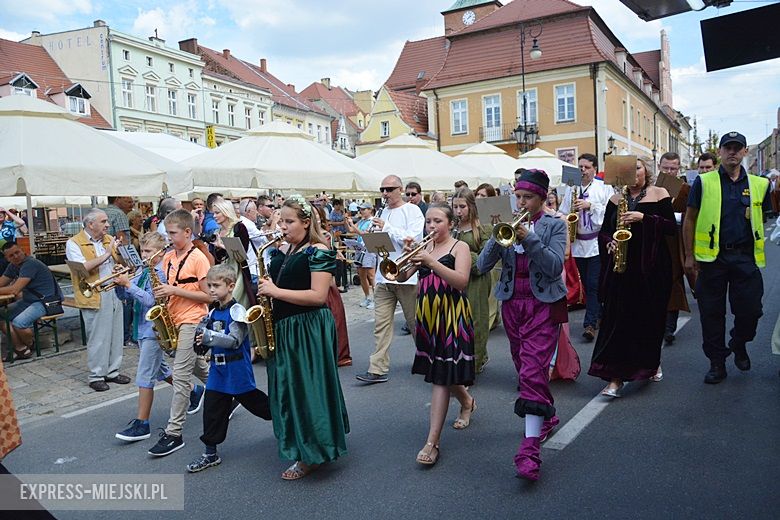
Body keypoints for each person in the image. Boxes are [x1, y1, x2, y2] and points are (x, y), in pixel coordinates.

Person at [477, 168, 567, 482]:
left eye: (528, 197)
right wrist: (495, 235)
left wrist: (530, 239)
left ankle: (528, 451)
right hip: (513, 303)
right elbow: (481, 266)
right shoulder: (508, 224)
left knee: (532, 371)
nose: (522, 202)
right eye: (519, 196)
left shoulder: (555, 225)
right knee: (524, 368)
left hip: (544, 303)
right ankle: (548, 415)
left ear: (541, 198)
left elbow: (555, 268)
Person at [257, 195, 349, 480]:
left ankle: (313, 452)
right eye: (279, 221)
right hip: (287, 326)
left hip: (307, 327)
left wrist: (275, 292)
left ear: (306, 222)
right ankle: (302, 443)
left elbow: (318, 296)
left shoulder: (319, 250)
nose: (282, 227)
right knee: (289, 389)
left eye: (289, 221)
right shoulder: (288, 248)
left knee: (306, 389)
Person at [683, 131, 772, 384]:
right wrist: (689, 256)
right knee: (712, 314)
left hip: (745, 258)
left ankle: (739, 341)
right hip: (713, 260)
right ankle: (717, 362)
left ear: (744, 152)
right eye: (727, 147)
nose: (732, 152)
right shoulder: (704, 181)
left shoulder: (759, 184)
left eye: (737, 148)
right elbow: (689, 218)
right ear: (720, 152)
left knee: (752, 311)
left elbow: (762, 218)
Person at [393, 203, 474, 465]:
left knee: (441, 376)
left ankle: (432, 442)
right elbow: (403, 275)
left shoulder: (459, 247)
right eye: (428, 221)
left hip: (451, 315)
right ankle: (467, 400)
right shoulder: (424, 247)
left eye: (437, 221)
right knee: (443, 369)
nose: (431, 226)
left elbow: (461, 281)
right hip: (428, 314)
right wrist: (403, 260)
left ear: (450, 223)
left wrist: (431, 262)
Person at [589, 157, 675, 397]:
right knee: (617, 321)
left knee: (649, 319)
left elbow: (671, 228)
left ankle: (651, 362)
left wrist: (644, 218)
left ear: (646, 170)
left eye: (637, 167)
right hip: (622, 268)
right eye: (629, 168)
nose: (634, 172)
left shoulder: (659, 193)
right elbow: (605, 232)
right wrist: (609, 244)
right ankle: (615, 378)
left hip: (652, 267)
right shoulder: (616, 199)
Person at [186, 264, 272, 473]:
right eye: (209, 286)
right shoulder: (214, 310)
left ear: (231, 286)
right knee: (212, 411)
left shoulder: (237, 311)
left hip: (237, 370)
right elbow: (206, 338)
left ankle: (288, 421)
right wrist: (200, 341)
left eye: (216, 285)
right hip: (218, 370)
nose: (212, 290)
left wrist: (209, 337)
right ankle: (210, 453)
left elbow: (234, 340)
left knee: (261, 406)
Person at [148, 209, 212, 457]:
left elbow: (208, 296)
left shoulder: (198, 259)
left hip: (193, 319)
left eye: (172, 233)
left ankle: (174, 433)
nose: (168, 238)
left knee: (181, 376)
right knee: (197, 366)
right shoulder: (169, 257)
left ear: (187, 232)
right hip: (175, 318)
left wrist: (174, 292)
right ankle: (230, 394)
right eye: (167, 233)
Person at [356, 175, 425, 384]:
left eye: (389, 189)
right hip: (383, 276)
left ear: (400, 189)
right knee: (381, 325)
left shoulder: (412, 210)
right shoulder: (382, 211)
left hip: (406, 276)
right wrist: (372, 236)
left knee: (415, 323)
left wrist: (385, 227)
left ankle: (427, 359)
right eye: (382, 189)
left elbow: (413, 240)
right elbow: (382, 244)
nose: (385, 193)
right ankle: (377, 368)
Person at [114, 232, 172, 442]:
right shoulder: (141, 270)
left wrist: (129, 285)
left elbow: (151, 300)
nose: (143, 255)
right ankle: (194, 392)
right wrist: (120, 285)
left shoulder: (161, 273)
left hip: (153, 330)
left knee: (145, 375)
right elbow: (126, 297)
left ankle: (142, 423)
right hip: (141, 327)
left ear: (160, 252)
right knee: (161, 369)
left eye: (148, 251)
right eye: (142, 251)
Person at [65, 209, 130, 392]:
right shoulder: (74, 243)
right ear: (90, 224)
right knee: (98, 337)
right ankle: (96, 375)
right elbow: (82, 269)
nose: (107, 225)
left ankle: (112, 371)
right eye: (103, 221)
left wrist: (121, 259)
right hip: (94, 293)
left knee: (116, 333)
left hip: (113, 289)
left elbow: (123, 264)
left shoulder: (109, 239)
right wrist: (107, 255)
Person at [559, 153, 613, 341]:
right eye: (580, 167)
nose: (582, 170)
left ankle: (589, 324)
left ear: (594, 169)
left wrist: (590, 205)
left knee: (593, 283)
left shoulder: (604, 187)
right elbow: (563, 211)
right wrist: (565, 216)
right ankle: (598, 314)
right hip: (578, 242)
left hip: (597, 242)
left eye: (586, 167)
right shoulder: (570, 188)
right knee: (588, 283)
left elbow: (610, 211)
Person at [452, 188, 491, 373]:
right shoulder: (452, 227)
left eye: (462, 207)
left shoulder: (483, 227)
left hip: (476, 280)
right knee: (456, 322)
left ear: (471, 207)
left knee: (476, 320)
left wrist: (462, 253)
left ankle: (474, 363)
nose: (458, 211)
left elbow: (483, 262)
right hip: (453, 279)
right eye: (455, 207)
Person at [0, 243, 61, 360]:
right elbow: (2, 282)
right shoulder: (13, 266)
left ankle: (30, 344)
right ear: (7, 258)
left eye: (17, 252)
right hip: (30, 300)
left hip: (48, 301)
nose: (15, 256)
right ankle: (21, 348)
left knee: (19, 323)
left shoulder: (30, 264)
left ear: (22, 250)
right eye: (11, 255)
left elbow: (15, 289)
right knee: (1, 315)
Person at [659, 152, 691, 345]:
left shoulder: (685, 189)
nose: (669, 171)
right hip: (655, 240)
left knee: (674, 282)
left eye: (673, 168)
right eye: (666, 168)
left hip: (675, 241)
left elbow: (690, 215)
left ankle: (669, 326)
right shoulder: (652, 187)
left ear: (679, 169)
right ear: (659, 166)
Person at [314, 206, 352, 367]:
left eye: (316, 215)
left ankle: (337, 353)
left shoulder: (324, 235)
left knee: (334, 317)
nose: (315, 218)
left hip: (325, 281)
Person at [211, 199, 257, 311]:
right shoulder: (217, 231)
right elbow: (218, 257)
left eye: (217, 213)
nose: (214, 216)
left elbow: (241, 254)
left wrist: (222, 246)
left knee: (236, 303)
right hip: (222, 273)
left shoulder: (239, 227)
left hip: (238, 272)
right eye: (214, 213)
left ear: (225, 212)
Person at [345, 203, 377, 309]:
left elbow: (364, 234)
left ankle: (376, 299)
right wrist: (346, 221)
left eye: (364, 209)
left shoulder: (373, 221)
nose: (362, 211)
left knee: (371, 275)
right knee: (362, 275)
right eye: (361, 209)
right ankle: (367, 297)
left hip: (369, 249)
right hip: (360, 249)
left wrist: (353, 225)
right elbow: (351, 230)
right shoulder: (362, 221)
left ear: (370, 210)